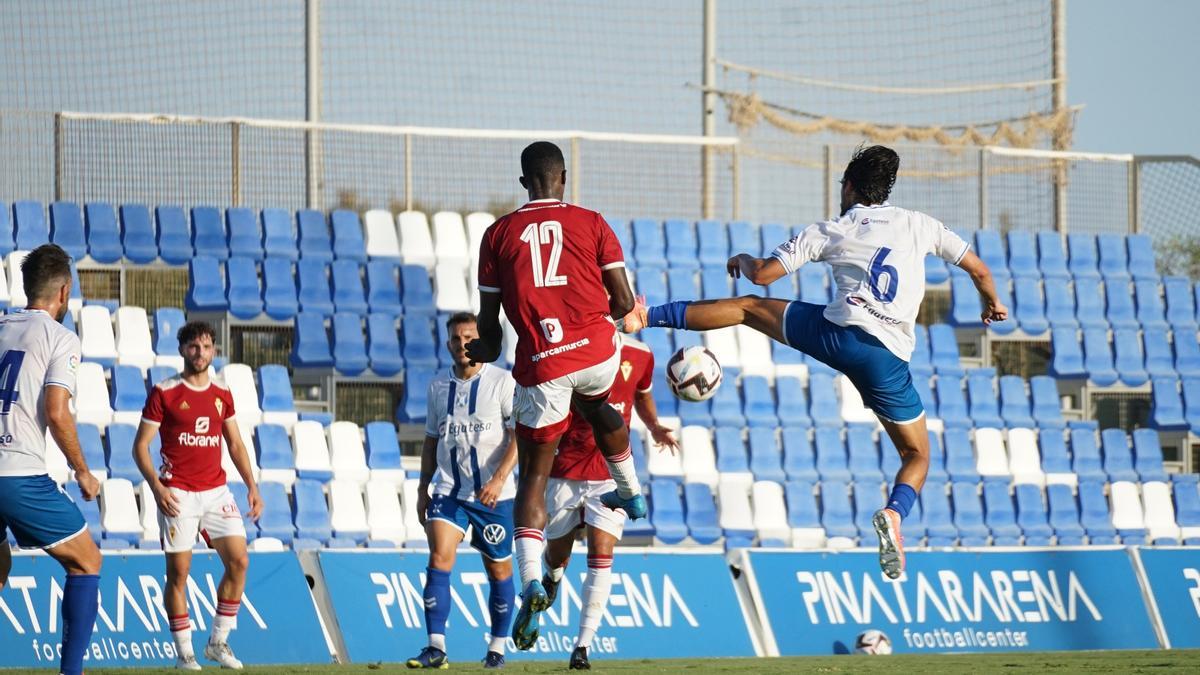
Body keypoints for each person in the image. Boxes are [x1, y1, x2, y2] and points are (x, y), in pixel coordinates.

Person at [623, 145, 1006, 580]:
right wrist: (992, 304)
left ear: (849, 187)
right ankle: (895, 514)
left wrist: (744, 259)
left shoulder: (834, 228)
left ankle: (645, 316)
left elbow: (764, 274)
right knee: (917, 454)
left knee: (749, 307)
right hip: (888, 360)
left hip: (837, 335)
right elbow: (978, 270)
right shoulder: (921, 225)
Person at [465, 141, 642, 651]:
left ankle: (530, 583)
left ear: (525, 183)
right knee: (598, 403)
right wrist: (592, 327)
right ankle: (629, 487)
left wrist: (484, 346)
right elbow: (625, 302)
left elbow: (492, 335)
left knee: (534, 480)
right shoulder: (592, 222)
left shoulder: (497, 235)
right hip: (598, 352)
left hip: (543, 366)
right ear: (562, 177)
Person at [541, 333, 676, 670]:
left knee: (601, 553)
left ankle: (582, 646)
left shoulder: (642, 354)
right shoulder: (571, 349)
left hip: (609, 471)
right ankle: (553, 577)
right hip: (566, 468)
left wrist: (655, 425)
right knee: (558, 554)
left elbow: (641, 395)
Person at [132, 321, 262, 671]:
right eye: (193, 346)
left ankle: (218, 643)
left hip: (217, 490)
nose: (200, 353)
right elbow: (140, 447)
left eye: (206, 347)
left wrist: (252, 484)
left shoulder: (222, 394)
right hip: (178, 494)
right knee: (179, 573)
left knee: (239, 561)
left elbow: (234, 443)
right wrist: (157, 488)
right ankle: (184, 652)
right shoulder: (165, 392)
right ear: (182, 350)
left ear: (214, 351)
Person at [0, 243, 102, 675]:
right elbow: (58, 411)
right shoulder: (61, 338)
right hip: (18, 473)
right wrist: (82, 470)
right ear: (64, 292)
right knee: (87, 561)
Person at [407, 312, 518, 670]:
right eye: (455, 339)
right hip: (449, 488)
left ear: (480, 339)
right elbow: (430, 441)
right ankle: (435, 647)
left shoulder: (502, 382)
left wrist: (499, 478)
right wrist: (423, 488)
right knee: (439, 557)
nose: (462, 345)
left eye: (468, 337)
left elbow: (519, 436)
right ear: (448, 344)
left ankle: (497, 648)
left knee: (498, 572)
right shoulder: (438, 388)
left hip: (493, 496)